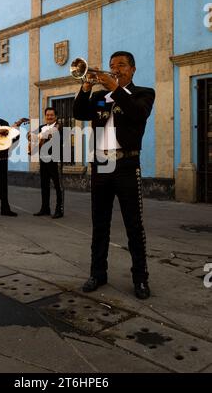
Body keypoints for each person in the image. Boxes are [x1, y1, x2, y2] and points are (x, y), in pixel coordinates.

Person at [73, 51, 155, 299]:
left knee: (133, 225)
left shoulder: (143, 93)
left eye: (121, 65)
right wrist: (86, 85)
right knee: (100, 222)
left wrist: (116, 88)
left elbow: (138, 114)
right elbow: (79, 112)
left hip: (127, 164)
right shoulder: (100, 96)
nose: (115, 69)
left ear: (132, 69)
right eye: (112, 66)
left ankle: (140, 278)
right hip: (101, 164)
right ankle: (98, 273)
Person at [33, 107, 64, 219]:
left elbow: (59, 140)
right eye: (47, 115)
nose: (49, 117)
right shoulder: (41, 127)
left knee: (58, 186)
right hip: (43, 159)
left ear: (55, 116)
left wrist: (45, 136)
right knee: (44, 185)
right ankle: (45, 208)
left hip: (55, 160)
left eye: (51, 115)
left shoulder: (59, 126)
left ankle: (59, 210)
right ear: (45, 116)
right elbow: (32, 137)